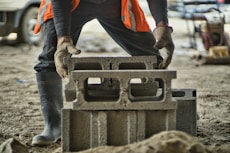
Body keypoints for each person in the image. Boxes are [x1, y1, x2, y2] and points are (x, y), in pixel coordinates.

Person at [32, 0, 174, 146]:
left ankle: (168, 109)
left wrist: (162, 25)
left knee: (151, 56)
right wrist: (62, 39)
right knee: (52, 58)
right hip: (71, 4)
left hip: (114, 4)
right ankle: (53, 125)